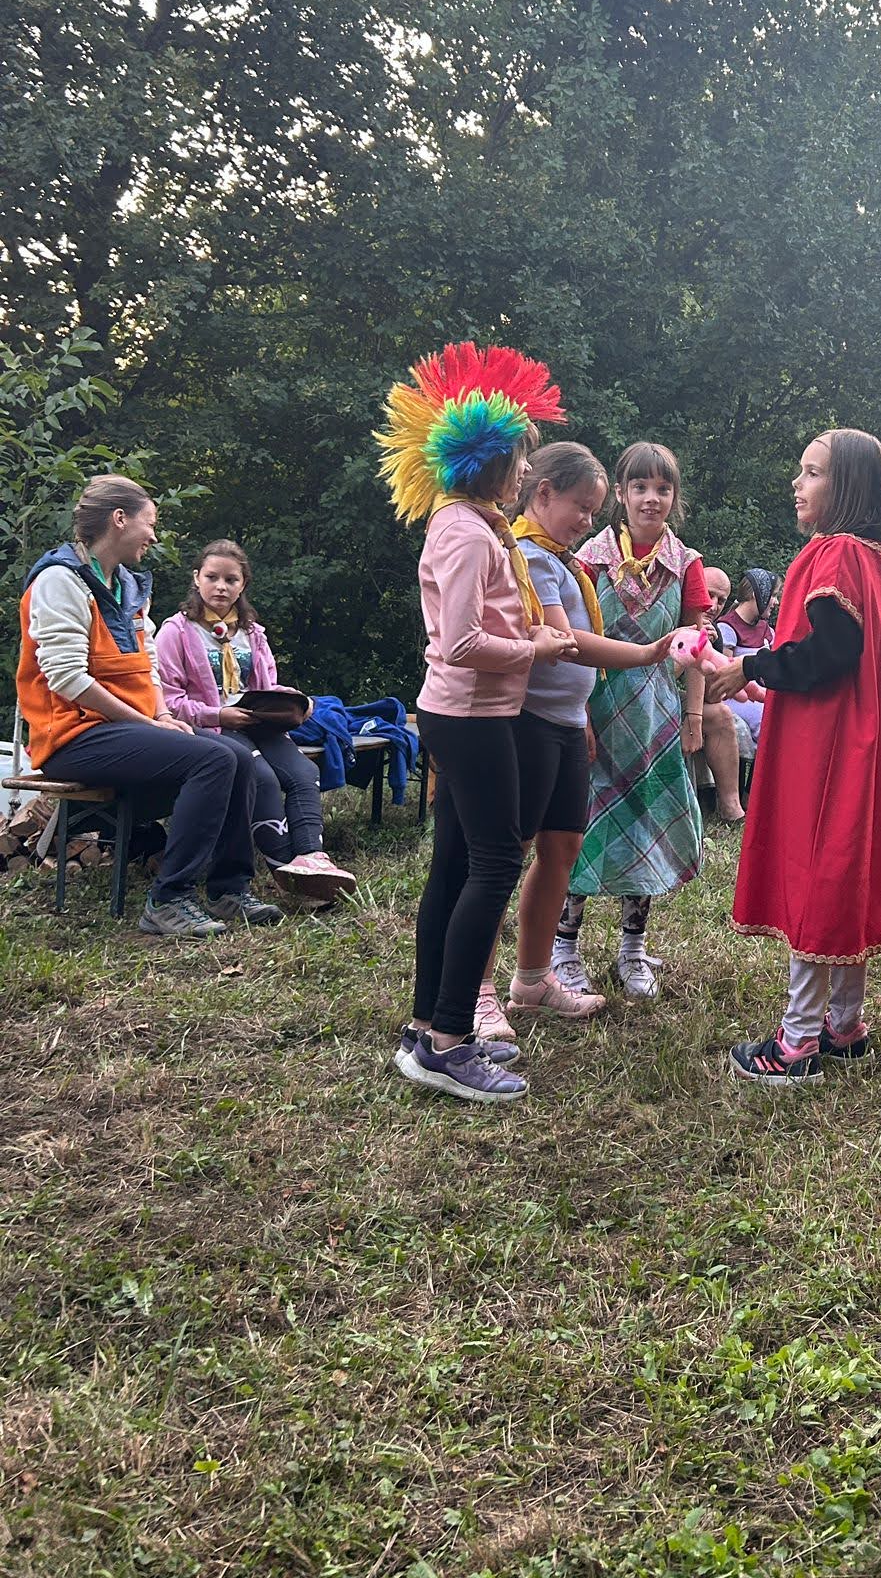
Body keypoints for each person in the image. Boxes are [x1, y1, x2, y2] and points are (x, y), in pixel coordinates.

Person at [377, 340, 579, 1103]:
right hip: (470, 718)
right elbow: (461, 644)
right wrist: (536, 645)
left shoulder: (472, 524)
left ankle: (429, 1025)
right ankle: (450, 1042)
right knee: (494, 865)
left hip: (468, 715)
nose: (526, 470)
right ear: (489, 461)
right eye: (520, 457)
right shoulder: (464, 533)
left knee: (456, 867)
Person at [707, 428, 881, 1084]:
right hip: (854, 737)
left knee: (820, 869)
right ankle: (843, 1024)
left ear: (846, 485)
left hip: (828, 743)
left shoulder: (836, 552)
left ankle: (796, 1043)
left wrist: (750, 667)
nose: (798, 484)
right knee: (843, 867)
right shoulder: (871, 556)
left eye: (813, 472)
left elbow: (829, 654)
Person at [15, 474, 281, 937]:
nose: (153, 537)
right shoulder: (60, 580)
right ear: (119, 519)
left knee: (238, 756)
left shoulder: (129, 585)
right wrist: (148, 722)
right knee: (214, 759)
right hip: (74, 735)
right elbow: (67, 678)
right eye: (150, 524)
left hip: (131, 727)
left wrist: (161, 715)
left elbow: (148, 663)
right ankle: (168, 899)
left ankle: (228, 889)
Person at [499, 442, 679, 1026]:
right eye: (582, 506)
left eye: (594, 510)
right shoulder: (531, 557)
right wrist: (646, 652)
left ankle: (534, 978)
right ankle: (490, 983)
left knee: (563, 850)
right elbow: (566, 641)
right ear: (542, 493)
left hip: (574, 723)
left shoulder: (563, 560)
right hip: (534, 724)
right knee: (508, 857)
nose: (586, 520)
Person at [553, 441, 709, 1000]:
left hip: (656, 717)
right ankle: (563, 946)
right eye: (640, 487)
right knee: (582, 825)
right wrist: (578, 714)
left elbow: (696, 649)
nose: (651, 498)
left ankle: (633, 948)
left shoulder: (687, 565)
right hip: (595, 708)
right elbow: (570, 642)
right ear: (620, 494)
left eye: (663, 488)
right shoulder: (589, 559)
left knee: (648, 825)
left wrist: (694, 716)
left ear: (674, 497)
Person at [155, 541, 357, 902]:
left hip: (256, 722)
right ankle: (286, 872)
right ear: (197, 578)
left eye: (231, 580)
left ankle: (312, 859)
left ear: (243, 584)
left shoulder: (252, 633)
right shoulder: (176, 631)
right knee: (261, 777)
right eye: (212, 577)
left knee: (303, 772)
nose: (221, 587)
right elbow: (167, 700)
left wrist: (295, 701)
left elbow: (266, 687)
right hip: (213, 727)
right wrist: (219, 714)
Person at [696, 565, 748, 822]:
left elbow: (713, 695)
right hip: (649, 695)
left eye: (721, 600)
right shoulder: (671, 615)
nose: (713, 605)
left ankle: (732, 807)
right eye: (709, 595)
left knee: (722, 714)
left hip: (682, 702)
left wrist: (708, 648)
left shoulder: (714, 634)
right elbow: (656, 674)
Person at [719, 569, 779, 654]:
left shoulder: (765, 628)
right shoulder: (727, 628)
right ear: (757, 594)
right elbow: (726, 663)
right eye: (773, 595)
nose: (777, 602)